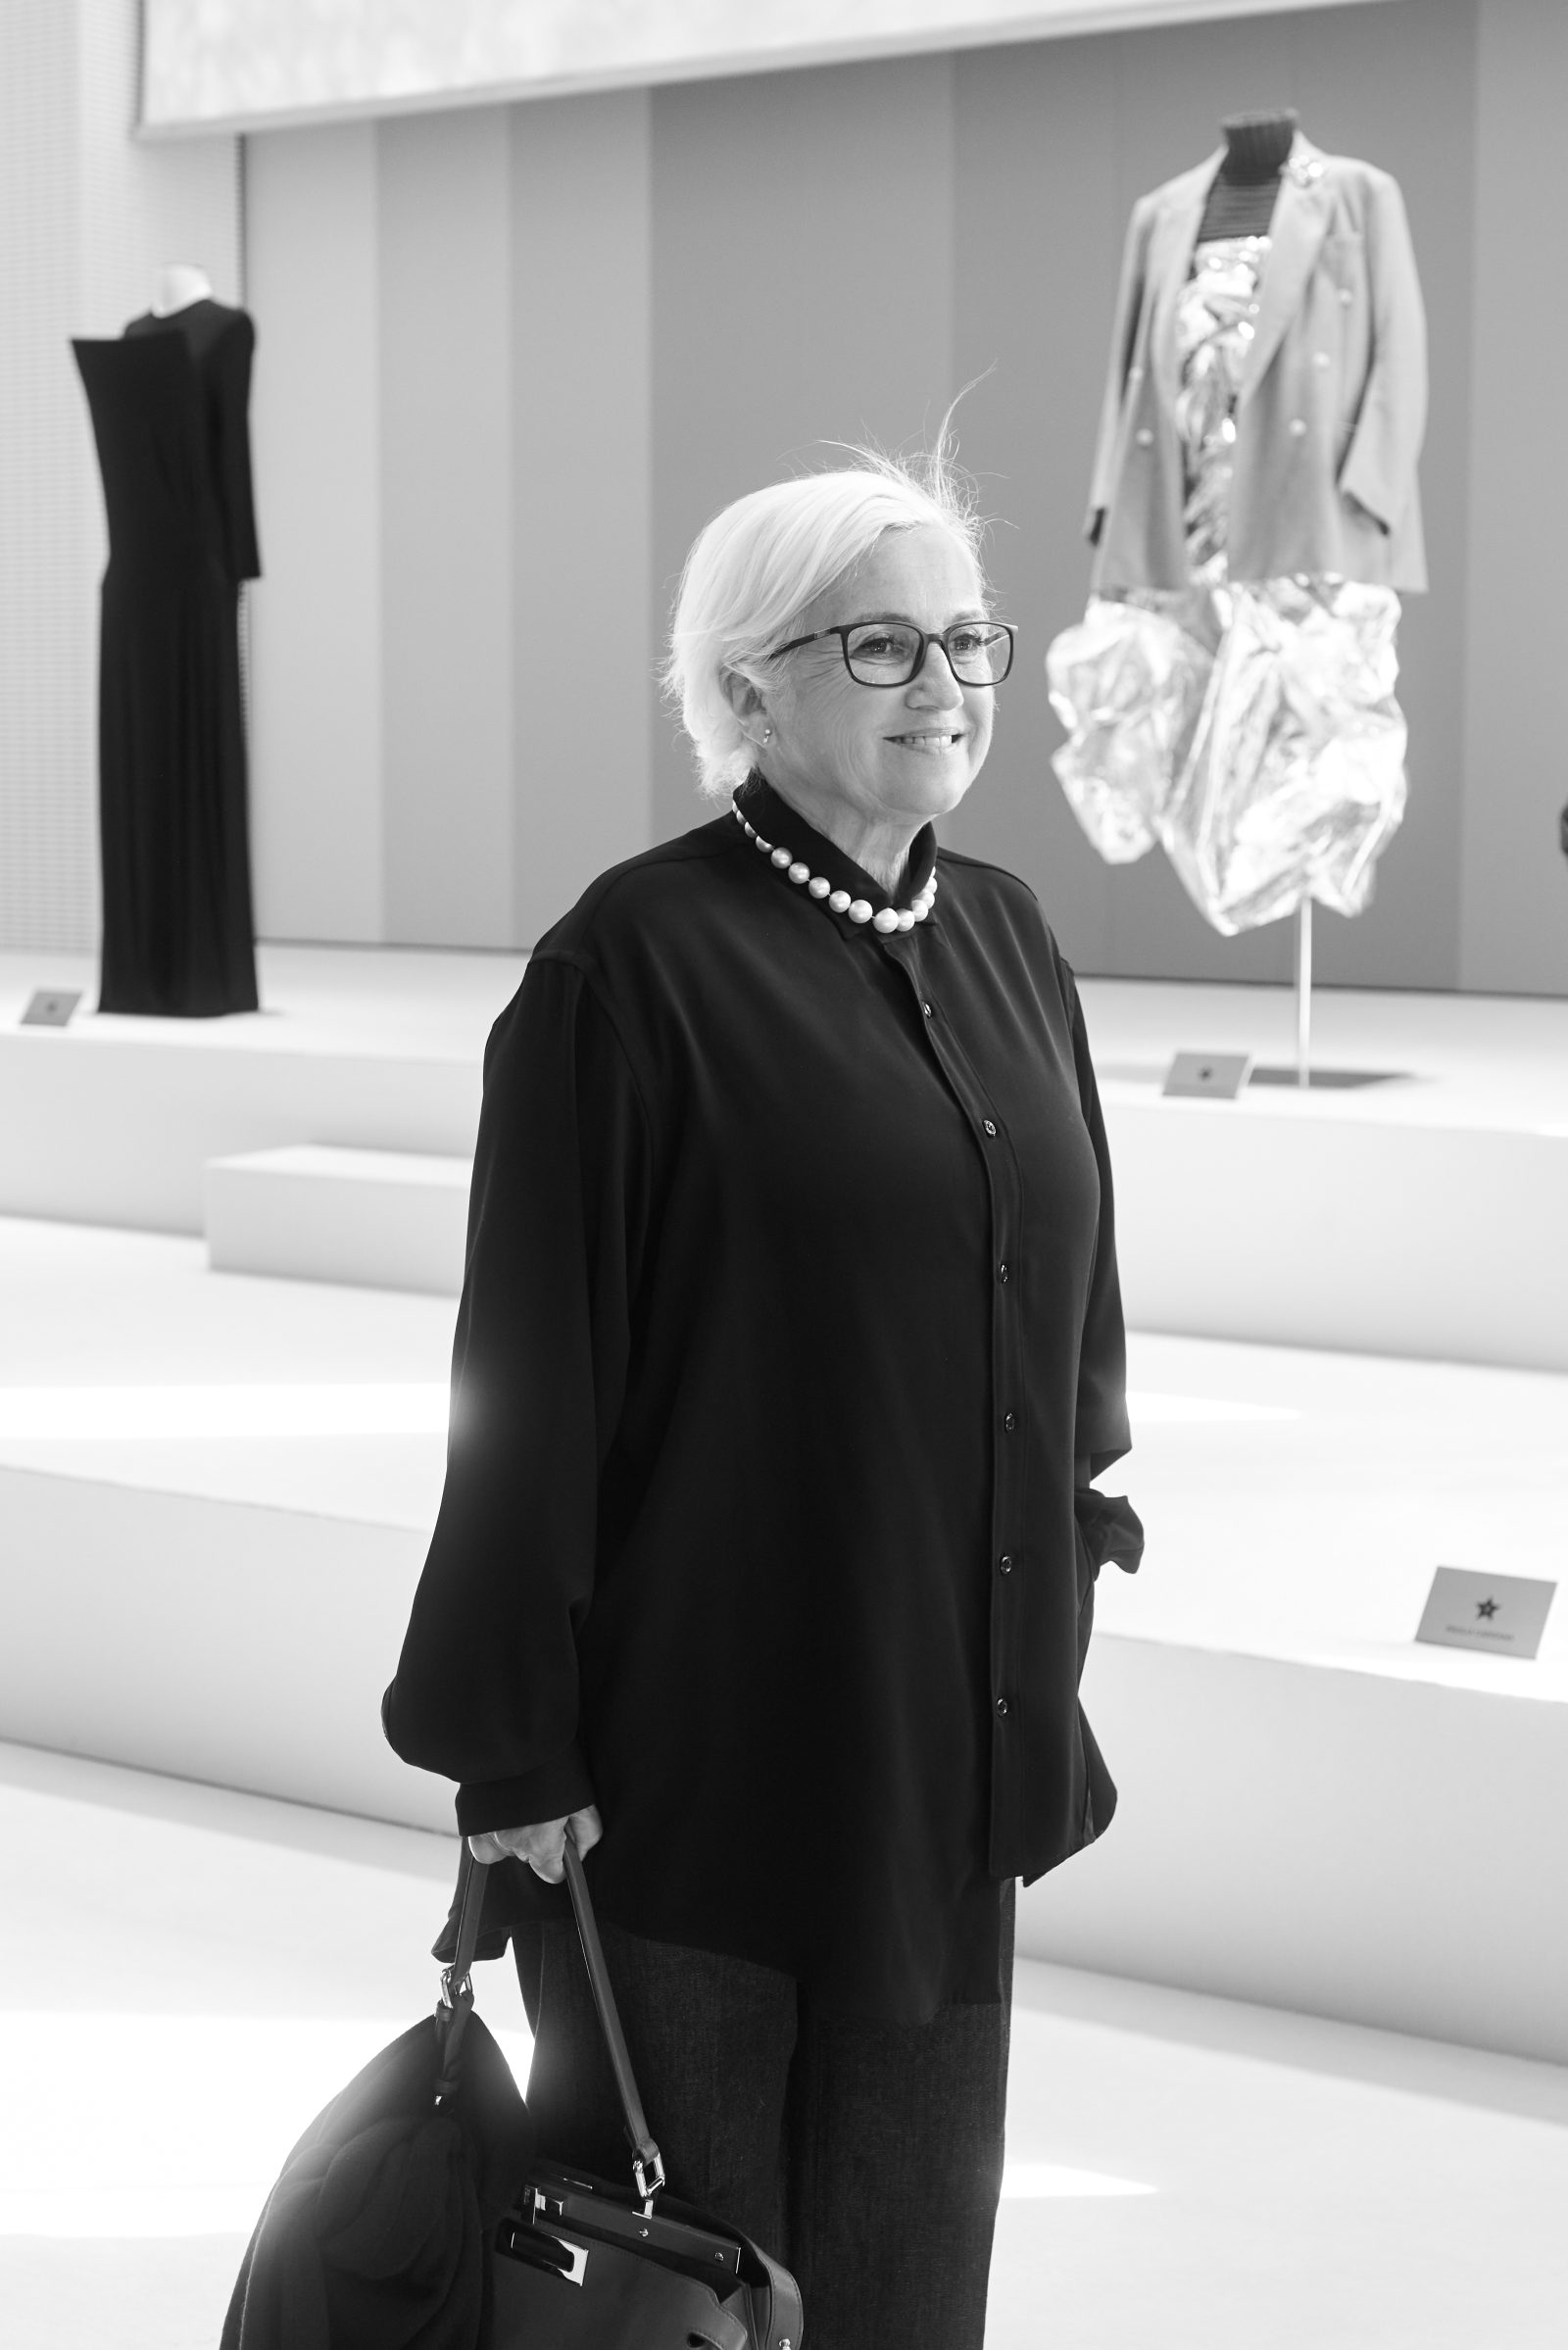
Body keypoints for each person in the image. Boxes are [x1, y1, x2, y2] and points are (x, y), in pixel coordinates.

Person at [383, 439, 1143, 2350]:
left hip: (938, 1757)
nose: (944, 684)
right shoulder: (628, 965)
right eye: (881, 645)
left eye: (966, 638)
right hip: (692, 1784)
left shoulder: (1005, 934)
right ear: (746, 682)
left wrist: (1070, 1532)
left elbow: (1068, 1299)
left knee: (906, 2279)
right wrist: (512, 1750)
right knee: (688, 2288)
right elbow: (527, 1377)